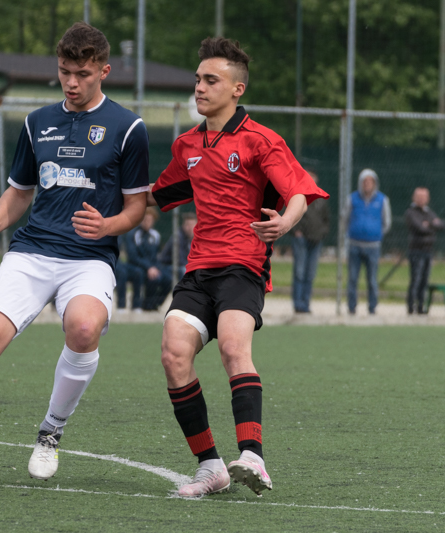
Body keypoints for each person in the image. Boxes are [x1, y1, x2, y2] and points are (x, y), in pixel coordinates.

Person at [0, 22, 149, 484]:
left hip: (89, 259)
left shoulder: (129, 128)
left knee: (84, 329)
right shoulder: (36, 122)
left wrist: (107, 226)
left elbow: (136, 208)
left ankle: (50, 433)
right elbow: (19, 192)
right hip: (32, 251)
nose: (72, 82)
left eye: (82, 74)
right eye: (65, 71)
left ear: (104, 71)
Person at [149, 37, 328, 498]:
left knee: (233, 346)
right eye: (198, 79)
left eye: (211, 80)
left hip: (243, 266)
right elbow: (156, 195)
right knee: (173, 353)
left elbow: (298, 192)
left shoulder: (260, 140)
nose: (200, 87)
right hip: (198, 271)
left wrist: (284, 223)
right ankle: (211, 467)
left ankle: (253, 456)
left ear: (237, 89)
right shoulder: (187, 145)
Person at [345, 168, 391, 315]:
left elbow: (386, 223)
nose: (367, 184)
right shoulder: (352, 198)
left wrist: (375, 233)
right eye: (365, 182)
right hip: (355, 244)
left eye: (370, 182)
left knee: (372, 279)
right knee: (353, 278)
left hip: (373, 246)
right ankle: (351, 307)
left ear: (375, 183)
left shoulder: (382, 200)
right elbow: (345, 219)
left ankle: (372, 307)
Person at [292, 171, 330, 313]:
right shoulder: (298, 196)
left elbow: (327, 220)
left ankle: (306, 303)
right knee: (299, 272)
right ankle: (298, 304)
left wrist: (322, 233)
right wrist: (296, 231)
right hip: (301, 239)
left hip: (316, 240)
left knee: (310, 274)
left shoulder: (321, 199)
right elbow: (290, 215)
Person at [123, 207, 172, 311]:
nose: (147, 222)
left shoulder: (155, 235)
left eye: (150, 220)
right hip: (138, 266)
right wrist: (149, 267)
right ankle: (141, 305)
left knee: (168, 279)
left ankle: (155, 304)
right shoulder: (133, 234)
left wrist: (155, 267)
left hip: (153, 268)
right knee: (147, 276)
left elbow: (158, 256)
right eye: (145, 219)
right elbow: (133, 256)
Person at [405, 187, 443, 314]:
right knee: (416, 279)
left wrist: (429, 224)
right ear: (414, 198)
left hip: (428, 250)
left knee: (425, 280)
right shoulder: (411, 212)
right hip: (416, 251)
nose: (421, 199)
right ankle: (411, 306)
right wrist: (433, 225)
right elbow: (419, 228)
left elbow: (441, 225)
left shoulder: (429, 213)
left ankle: (421, 306)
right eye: (419, 197)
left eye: (424, 197)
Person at [158, 212, 197, 279]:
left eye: (192, 225)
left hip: (183, 265)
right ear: (183, 225)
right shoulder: (178, 237)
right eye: (188, 225)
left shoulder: (195, 238)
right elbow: (180, 260)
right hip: (166, 266)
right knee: (186, 271)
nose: (190, 228)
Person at [114, 236, 144, 312]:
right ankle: (121, 306)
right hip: (109, 262)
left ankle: (136, 305)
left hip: (119, 261)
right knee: (122, 273)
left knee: (138, 272)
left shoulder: (127, 235)